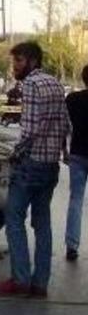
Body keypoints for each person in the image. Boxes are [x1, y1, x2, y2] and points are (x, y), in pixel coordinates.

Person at [0, 41, 71, 298]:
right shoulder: (56, 84)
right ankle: (40, 284)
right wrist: (63, 153)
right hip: (50, 165)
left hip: (31, 164)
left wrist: (15, 154)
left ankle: (20, 278)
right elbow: (67, 125)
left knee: (13, 218)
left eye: (19, 61)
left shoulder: (32, 85)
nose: (14, 67)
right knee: (42, 223)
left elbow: (31, 130)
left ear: (33, 62)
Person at [65, 65, 88, 261]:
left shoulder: (73, 100)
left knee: (76, 200)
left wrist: (64, 150)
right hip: (78, 155)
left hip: (78, 154)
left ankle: (72, 245)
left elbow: (64, 126)